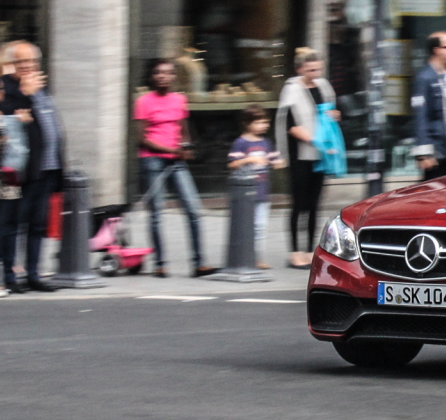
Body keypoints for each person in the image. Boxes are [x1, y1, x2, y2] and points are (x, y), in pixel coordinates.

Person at [135, 58, 216, 278]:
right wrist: (170, 150)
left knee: (193, 209)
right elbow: (141, 139)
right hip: (152, 160)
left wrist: (187, 147)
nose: (163, 76)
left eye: (168, 73)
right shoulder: (143, 101)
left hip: (177, 161)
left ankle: (199, 263)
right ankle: (160, 264)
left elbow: (184, 130)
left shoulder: (179, 100)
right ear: (152, 77)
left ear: (174, 77)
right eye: (158, 73)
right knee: (156, 214)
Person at [0, 41, 64, 292]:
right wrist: (24, 92)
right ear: (12, 64)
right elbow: (3, 118)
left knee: (38, 225)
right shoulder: (6, 88)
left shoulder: (41, 88)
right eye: (21, 61)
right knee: (14, 225)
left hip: (47, 169)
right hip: (21, 171)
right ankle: (10, 277)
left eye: (32, 62)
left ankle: (34, 274)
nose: (27, 66)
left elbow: (52, 124)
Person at [277, 48, 338, 269]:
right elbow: (290, 126)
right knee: (298, 204)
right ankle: (295, 251)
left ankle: (311, 250)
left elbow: (330, 111)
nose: (315, 72)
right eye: (310, 69)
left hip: (320, 156)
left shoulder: (323, 86)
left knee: (314, 204)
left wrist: (334, 117)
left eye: (318, 68)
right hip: (300, 155)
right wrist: (315, 140)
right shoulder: (292, 90)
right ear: (300, 68)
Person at [227, 106, 285, 270]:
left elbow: (274, 160)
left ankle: (257, 257)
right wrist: (248, 160)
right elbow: (232, 164)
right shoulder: (241, 143)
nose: (264, 125)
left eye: (265, 122)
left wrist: (278, 162)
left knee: (260, 226)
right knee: (246, 225)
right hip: (246, 193)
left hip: (262, 191)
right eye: (259, 122)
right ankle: (244, 255)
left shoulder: (266, 142)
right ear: (248, 124)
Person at [412, 31, 446, 180]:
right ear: (437, 50)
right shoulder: (425, 78)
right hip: (436, 153)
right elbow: (420, 115)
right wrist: (423, 153)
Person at [0, 78, 21, 297]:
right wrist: (6, 139)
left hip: (9, 184)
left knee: (8, 231)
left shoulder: (3, 117)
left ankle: (8, 277)